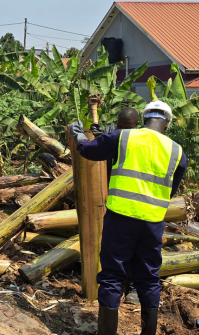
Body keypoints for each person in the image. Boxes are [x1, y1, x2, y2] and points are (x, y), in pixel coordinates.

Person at [68, 101, 187, 335]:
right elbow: (170, 190)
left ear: (144, 118)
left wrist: (78, 135)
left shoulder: (124, 137)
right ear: (167, 123)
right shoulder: (177, 150)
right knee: (149, 277)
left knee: (112, 276)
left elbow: (89, 150)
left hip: (121, 218)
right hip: (153, 222)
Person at [91, 107, 142, 305]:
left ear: (136, 126)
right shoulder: (114, 134)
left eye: (126, 127)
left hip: (139, 202)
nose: (122, 131)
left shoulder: (142, 141)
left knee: (135, 249)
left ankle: (134, 286)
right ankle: (115, 287)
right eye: (120, 127)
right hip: (116, 202)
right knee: (115, 249)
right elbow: (99, 142)